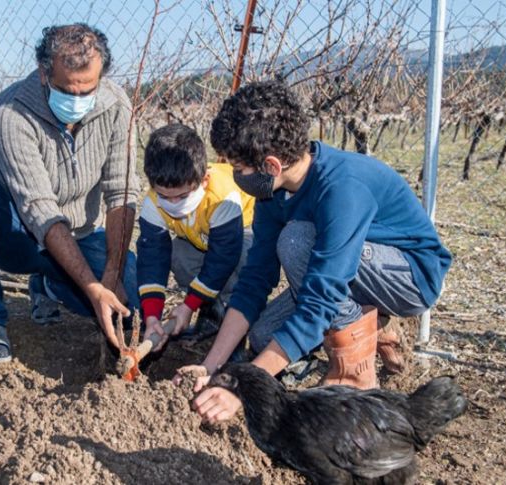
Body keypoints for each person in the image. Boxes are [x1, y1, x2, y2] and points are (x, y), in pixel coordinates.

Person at [181, 80, 452, 423]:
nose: (235, 176)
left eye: (239, 168)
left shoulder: (342, 189)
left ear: (271, 166)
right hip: (346, 271)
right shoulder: (272, 193)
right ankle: (371, 325)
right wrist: (211, 365)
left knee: (295, 242)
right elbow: (255, 280)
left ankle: (354, 374)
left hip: (410, 276)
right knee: (265, 337)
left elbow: (321, 300)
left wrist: (244, 387)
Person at [0, 24, 139, 364]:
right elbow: (39, 209)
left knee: (127, 303)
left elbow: (121, 192)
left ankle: (49, 286)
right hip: (19, 234)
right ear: (43, 73)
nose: (78, 100)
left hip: (80, 236)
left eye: (88, 90)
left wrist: (111, 273)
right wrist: (93, 288)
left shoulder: (116, 105)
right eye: (68, 90)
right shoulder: (12, 111)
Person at [136, 124, 254, 349]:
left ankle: (238, 318)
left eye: (182, 196)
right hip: (201, 239)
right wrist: (152, 317)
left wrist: (188, 305)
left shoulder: (223, 197)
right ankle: (212, 313)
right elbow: (152, 259)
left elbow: (222, 258)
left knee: (242, 259)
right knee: (179, 255)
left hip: (242, 232)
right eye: (164, 196)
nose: (173, 204)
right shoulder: (152, 203)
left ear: (204, 180)